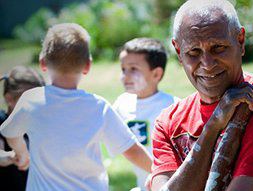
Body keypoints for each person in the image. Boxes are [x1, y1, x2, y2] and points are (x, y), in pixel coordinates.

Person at [150, 1, 253, 191]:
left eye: (218, 47)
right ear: (178, 52)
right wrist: (213, 127)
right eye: (194, 52)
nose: (207, 63)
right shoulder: (168, 123)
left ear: (240, 41)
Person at [0, 23, 152, 191]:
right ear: (87, 65)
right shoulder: (99, 107)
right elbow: (132, 151)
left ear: (43, 63)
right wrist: (165, 175)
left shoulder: (31, 101)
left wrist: (21, 153)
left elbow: (9, 131)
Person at [113, 38, 179, 191]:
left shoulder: (173, 107)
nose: (125, 76)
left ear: (156, 74)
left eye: (133, 69)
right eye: (123, 69)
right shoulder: (121, 105)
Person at [0, 66, 45, 191]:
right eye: (30, 100)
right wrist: (9, 156)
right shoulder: (2, 122)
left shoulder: (40, 124)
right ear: (9, 99)